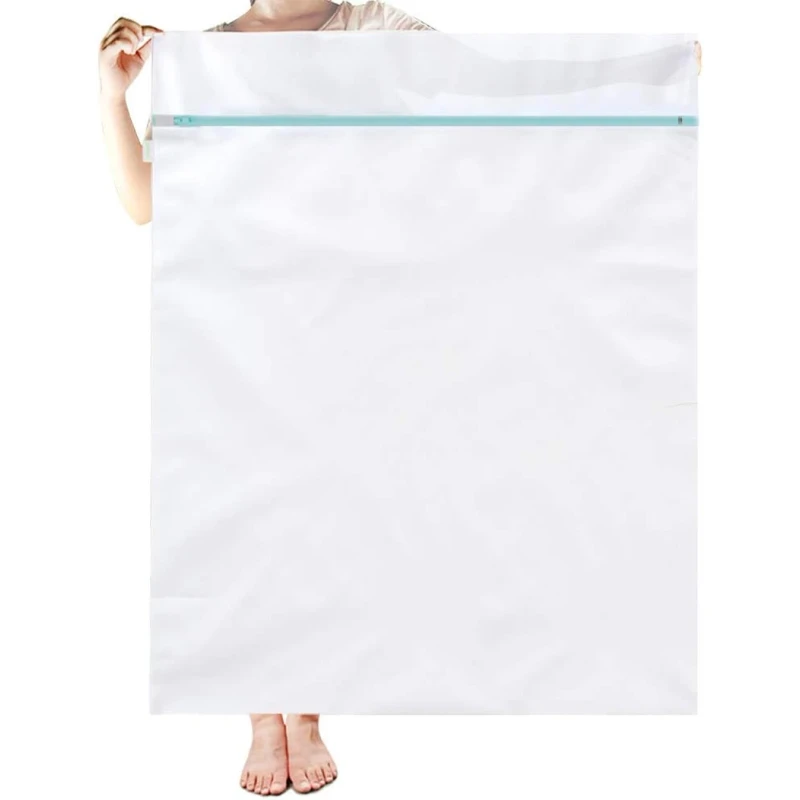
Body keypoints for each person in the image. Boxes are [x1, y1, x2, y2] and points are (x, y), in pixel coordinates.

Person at [98, 1, 432, 794]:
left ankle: (306, 709)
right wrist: (112, 97)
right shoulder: (203, 58)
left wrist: (639, 79)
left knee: (330, 509)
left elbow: (498, 93)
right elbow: (146, 202)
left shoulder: (375, 28)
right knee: (243, 512)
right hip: (234, 316)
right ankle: (260, 712)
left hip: (349, 309)